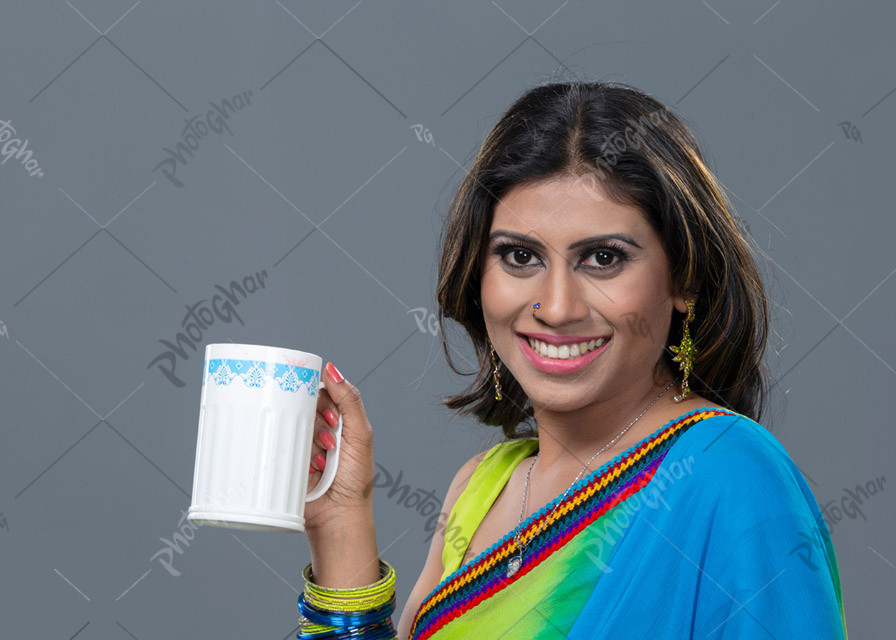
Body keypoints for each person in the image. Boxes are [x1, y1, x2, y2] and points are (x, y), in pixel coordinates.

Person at [295, 81, 848, 639]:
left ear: (684, 278)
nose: (556, 308)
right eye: (520, 256)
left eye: (603, 258)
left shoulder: (732, 477)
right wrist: (340, 521)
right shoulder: (484, 487)